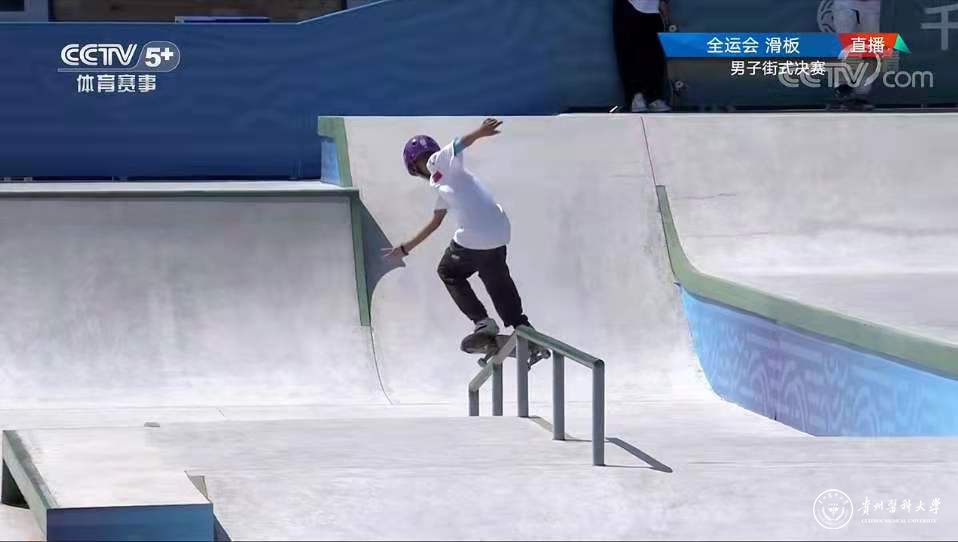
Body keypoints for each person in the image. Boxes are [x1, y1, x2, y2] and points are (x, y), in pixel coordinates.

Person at [384, 118, 548, 361]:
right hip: (499, 231)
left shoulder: (437, 161)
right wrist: (404, 248)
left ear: (413, 167)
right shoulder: (445, 184)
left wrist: (480, 132)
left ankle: (482, 322)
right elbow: (435, 223)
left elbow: (458, 145)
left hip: (474, 235)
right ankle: (522, 327)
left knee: (448, 271)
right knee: (496, 280)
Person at [613, 0, 672, 113]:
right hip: (628, 5)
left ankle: (654, 97)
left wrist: (664, 1)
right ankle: (635, 95)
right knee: (629, 51)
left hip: (654, 7)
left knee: (654, 53)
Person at [833, 0, 882, 109]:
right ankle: (843, 88)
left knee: (870, 50)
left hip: (872, 6)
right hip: (845, 4)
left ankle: (862, 93)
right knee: (844, 47)